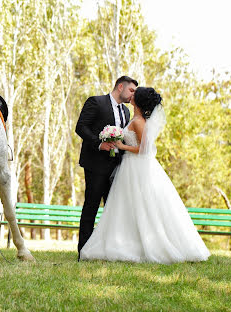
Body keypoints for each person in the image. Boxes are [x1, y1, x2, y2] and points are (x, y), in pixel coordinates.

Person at [79, 87, 210, 264]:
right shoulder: (134, 118)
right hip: (129, 166)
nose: (131, 95)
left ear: (138, 101)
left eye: (135, 93)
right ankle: (126, 241)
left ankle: (142, 244)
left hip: (136, 166)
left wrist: (122, 146)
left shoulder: (139, 121)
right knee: (128, 207)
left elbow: (144, 149)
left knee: (142, 206)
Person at [75, 76, 138, 260]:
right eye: (131, 90)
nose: (133, 95)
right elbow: (81, 127)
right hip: (96, 165)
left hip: (118, 168)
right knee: (91, 207)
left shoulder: (126, 112)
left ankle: (110, 250)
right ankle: (84, 251)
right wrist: (99, 144)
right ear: (120, 87)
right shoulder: (96, 102)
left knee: (114, 210)